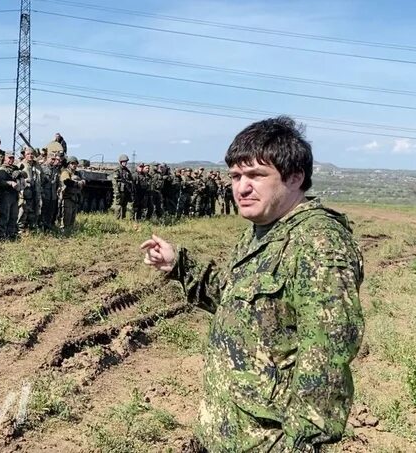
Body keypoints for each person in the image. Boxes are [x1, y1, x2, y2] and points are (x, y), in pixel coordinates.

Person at [141, 116, 364, 452]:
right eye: (235, 176)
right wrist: (178, 265)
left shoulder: (318, 241)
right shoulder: (262, 230)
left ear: (295, 177)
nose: (241, 187)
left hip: (266, 441)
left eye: (257, 175)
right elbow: (236, 302)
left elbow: (327, 353)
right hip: (227, 430)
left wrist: (303, 444)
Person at [0, 153, 20, 240]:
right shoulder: (2, 170)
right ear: (4, 159)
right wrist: (10, 183)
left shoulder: (14, 168)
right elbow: (1, 182)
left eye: (12, 158)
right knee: (4, 216)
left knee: (13, 216)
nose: (11, 160)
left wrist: (20, 172)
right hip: (5, 195)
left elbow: (24, 175)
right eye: (9, 158)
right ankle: (1, 235)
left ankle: (11, 234)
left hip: (14, 195)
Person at [17, 147, 42, 233]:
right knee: (23, 212)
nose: (30, 156)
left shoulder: (37, 165)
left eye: (32, 154)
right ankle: (20, 230)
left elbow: (42, 177)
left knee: (34, 211)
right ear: (24, 155)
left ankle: (32, 229)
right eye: (28, 154)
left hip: (36, 192)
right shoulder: (20, 165)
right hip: (24, 194)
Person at [58, 155, 85, 233]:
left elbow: (83, 180)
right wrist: (77, 183)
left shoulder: (77, 173)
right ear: (69, 164)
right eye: (72, 163)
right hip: (67, 198)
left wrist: (82, 182)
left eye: (75, 163)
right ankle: (64, 231)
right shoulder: (65, 172)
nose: (74, 165)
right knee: (66, 216)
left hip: (74, 197)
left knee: (72, 217)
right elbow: (66, 181)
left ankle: (70, 230)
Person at [111, 154, 134, 219]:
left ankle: (123, 218)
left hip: (126, 190)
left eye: (126, 161)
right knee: (118, 205)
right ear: (121, 162)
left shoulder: (127, 170)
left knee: (124, 205)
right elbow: (114, 181)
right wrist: (116, 191)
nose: (125, 163)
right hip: (120, 190)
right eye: (124, 161)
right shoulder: (117, 170)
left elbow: (131, 179)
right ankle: (117, 218)